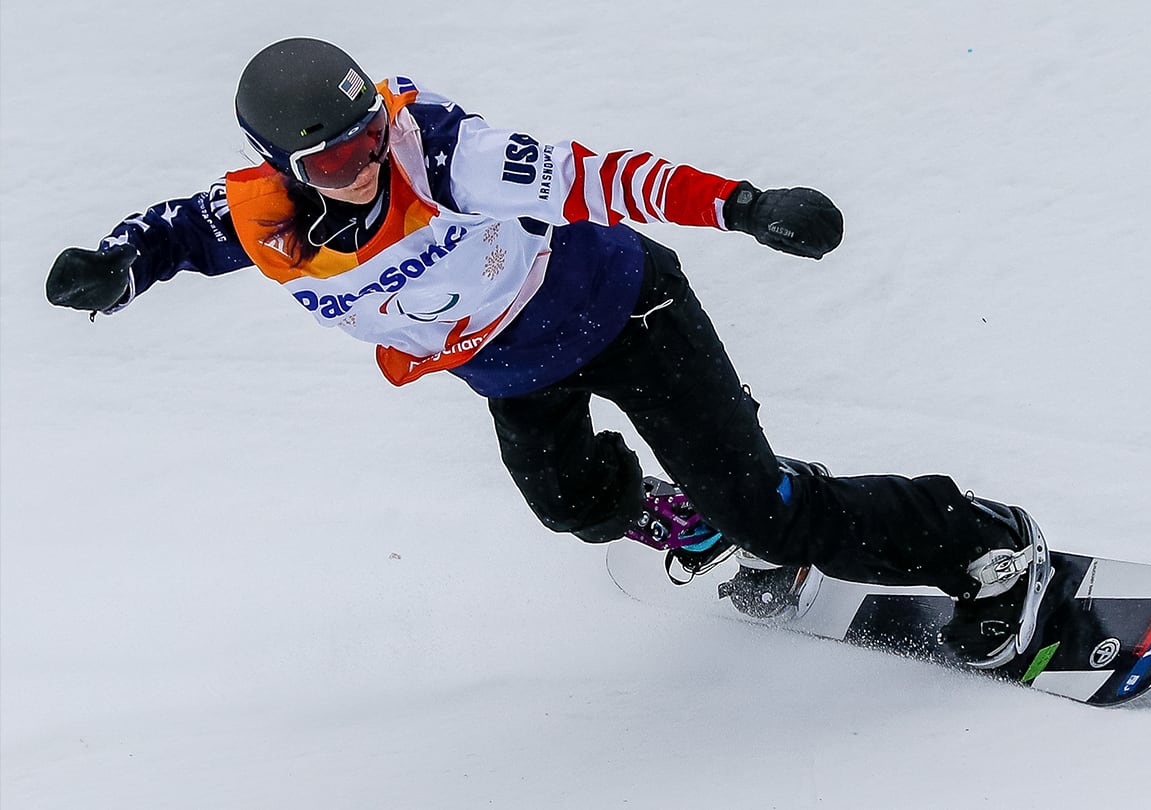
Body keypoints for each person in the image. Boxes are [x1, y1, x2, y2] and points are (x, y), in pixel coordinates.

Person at [46, 38, 1051, 668]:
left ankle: (976, 541)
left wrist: (742, 207)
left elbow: (601, 177)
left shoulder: (448, 156)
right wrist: (117, 267)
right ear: (286, 167)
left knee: (771, 521)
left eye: (368, 137)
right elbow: (179, 227)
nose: (362, 164)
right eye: (333, 158)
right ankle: (695, 518)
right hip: (519, 373)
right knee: (576, 507)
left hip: (627, 314)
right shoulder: (263, 217)